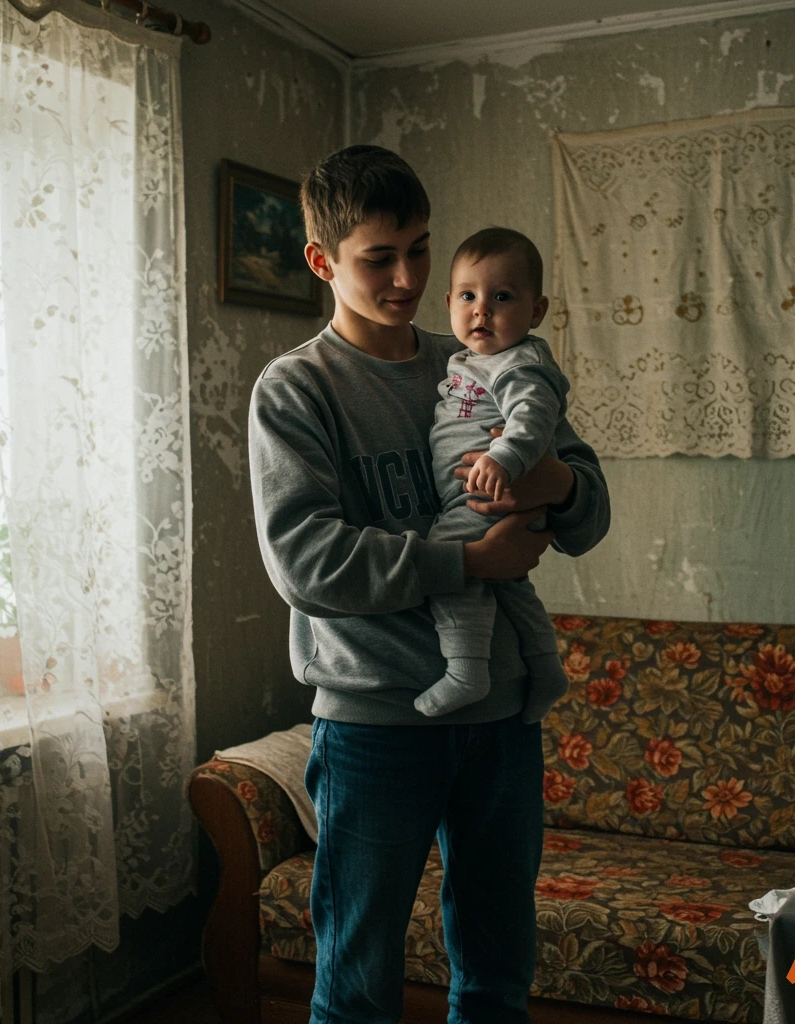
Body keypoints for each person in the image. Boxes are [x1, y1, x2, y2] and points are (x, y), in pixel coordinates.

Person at [248, 144, 611, 1024]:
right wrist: (467, 562)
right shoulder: (295, 390)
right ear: (322, 261)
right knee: (357, 982)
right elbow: (305, 562)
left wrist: (556, 485)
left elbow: (590, 512)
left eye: (420, 247)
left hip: (501, 721)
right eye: (380, 257)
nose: (410, 276)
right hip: (377, 724)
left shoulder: (487, 357)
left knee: (496, 967)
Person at [415, 227, 570, 721]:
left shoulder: (519, 361)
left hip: (482, 494)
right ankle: (546, 668)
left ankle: (465, 669)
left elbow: (532, 414)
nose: (482, 309)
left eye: (502, 297)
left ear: (536, 310)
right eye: (468, 295)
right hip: (474, 491)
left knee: (448, 562)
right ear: (449, 303)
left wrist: (503, 458)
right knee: (511, 584)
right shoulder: (468, 359)